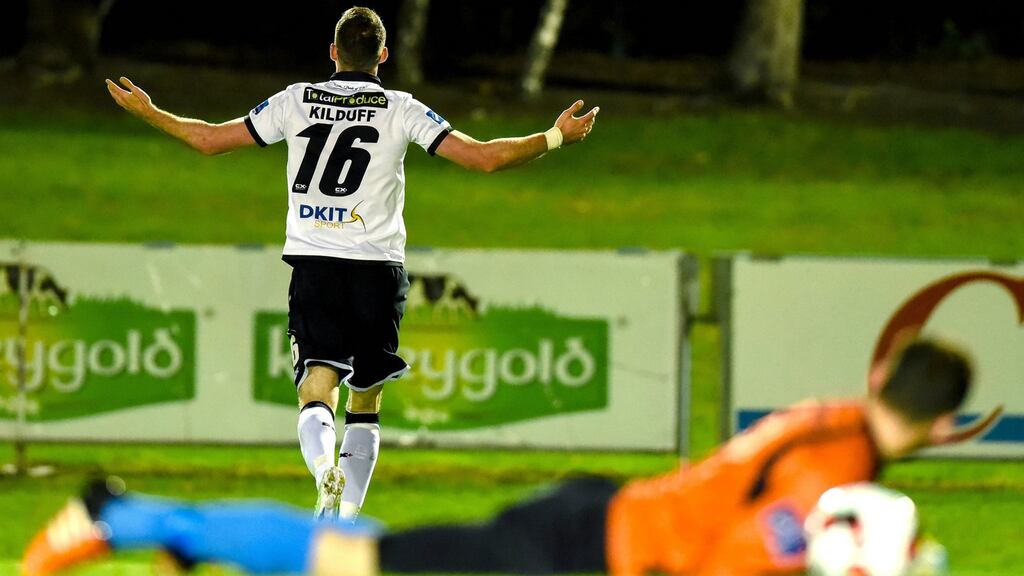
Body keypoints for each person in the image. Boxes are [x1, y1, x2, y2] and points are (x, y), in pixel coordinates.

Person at [103, 6, 599, 521]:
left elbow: (208, 140)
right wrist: (556, 136)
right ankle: (346, 519)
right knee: (365, 398)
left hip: (316, 265)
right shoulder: (400, 108)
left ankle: (323, 474)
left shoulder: (295, 100)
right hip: (377, 270)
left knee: (317, 385)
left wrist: (149, 112)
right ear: (383, 55)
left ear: (333, 52)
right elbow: (485, 158)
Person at [22, 337, 1001, 575]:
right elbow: (757, 546)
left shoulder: (828, 423)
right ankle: (125, 517)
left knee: (365, 554)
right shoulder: (836, 470)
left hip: (594, 525)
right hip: (581, 555)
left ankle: (170, 530)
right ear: (945, 422)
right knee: (353, 562)